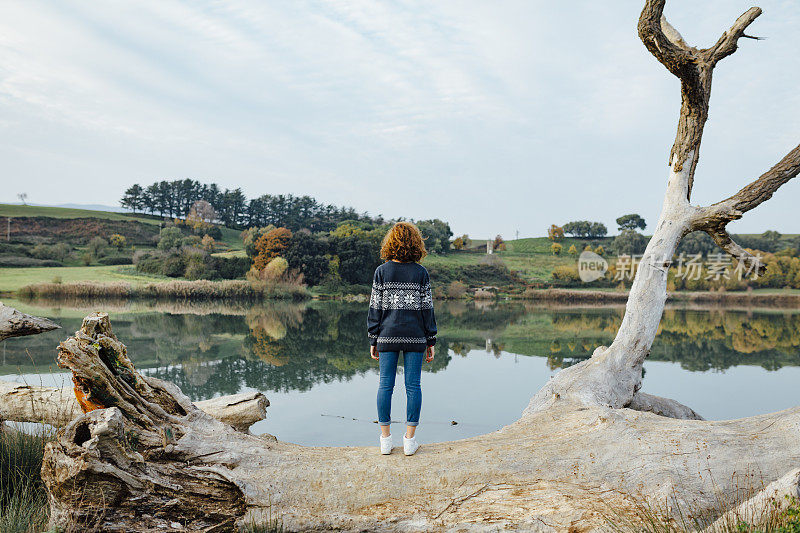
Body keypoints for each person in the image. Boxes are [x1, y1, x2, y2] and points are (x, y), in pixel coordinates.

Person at [367, 221, 437, 456]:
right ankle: (409, 440)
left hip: (387, 335)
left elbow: (375, 308)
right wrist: (431, 340)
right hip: (416, 337)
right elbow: (427, 309)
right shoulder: (421, 273)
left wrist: (373, 338)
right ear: (415, 243)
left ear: (391, 243)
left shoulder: (381, 271)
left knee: (385, 385)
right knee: (413, 386)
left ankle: (385, 440)